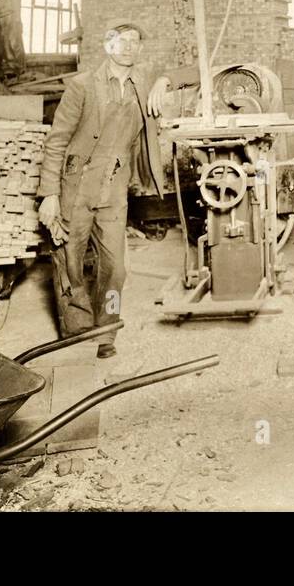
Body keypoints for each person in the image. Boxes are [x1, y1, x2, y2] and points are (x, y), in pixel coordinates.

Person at [37, 20, 171, 359]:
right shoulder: (83, 86)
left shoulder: (141, 86)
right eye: (122, 41)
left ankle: (107, 330)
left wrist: (165, 81)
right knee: (71, 262)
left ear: (140, 49)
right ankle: (77, 329)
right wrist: (49, 194)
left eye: (135, 42)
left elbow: (188, 74)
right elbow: (56, 142)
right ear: (108, 46)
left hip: (113, 192)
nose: (129, 47)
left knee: (115, 268)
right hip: (76, 190)